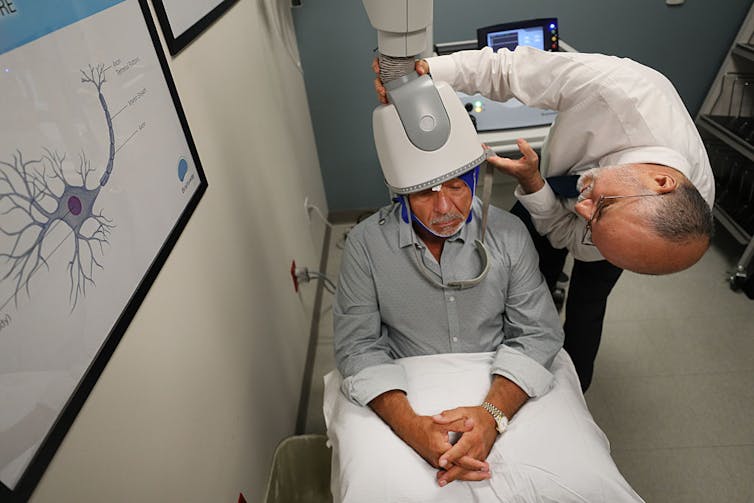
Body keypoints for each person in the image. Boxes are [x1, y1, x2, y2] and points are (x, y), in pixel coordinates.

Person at [374, 46, 715, 391]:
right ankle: (518, 353)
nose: (582, 211)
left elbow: (575, 238)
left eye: (593, 224)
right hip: (560, 176)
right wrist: (422, 74)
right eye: (603, 208)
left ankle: (573, 388)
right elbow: (507, 71)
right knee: (527, 278)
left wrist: (592, 231)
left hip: (622, 234)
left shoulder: (681, 216)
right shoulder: (613, 88)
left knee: (589, 301)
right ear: (660, 183)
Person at [334, 163, 565, 487]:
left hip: (501, 382)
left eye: (456, 187)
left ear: (475, 179)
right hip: (408, 387)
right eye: (424, 192)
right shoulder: (366, 244)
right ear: (399, 193)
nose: (444, 209)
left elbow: (538, 333)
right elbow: (358, 346)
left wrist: (490, 417)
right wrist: (414, 428)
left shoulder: (509, 232)